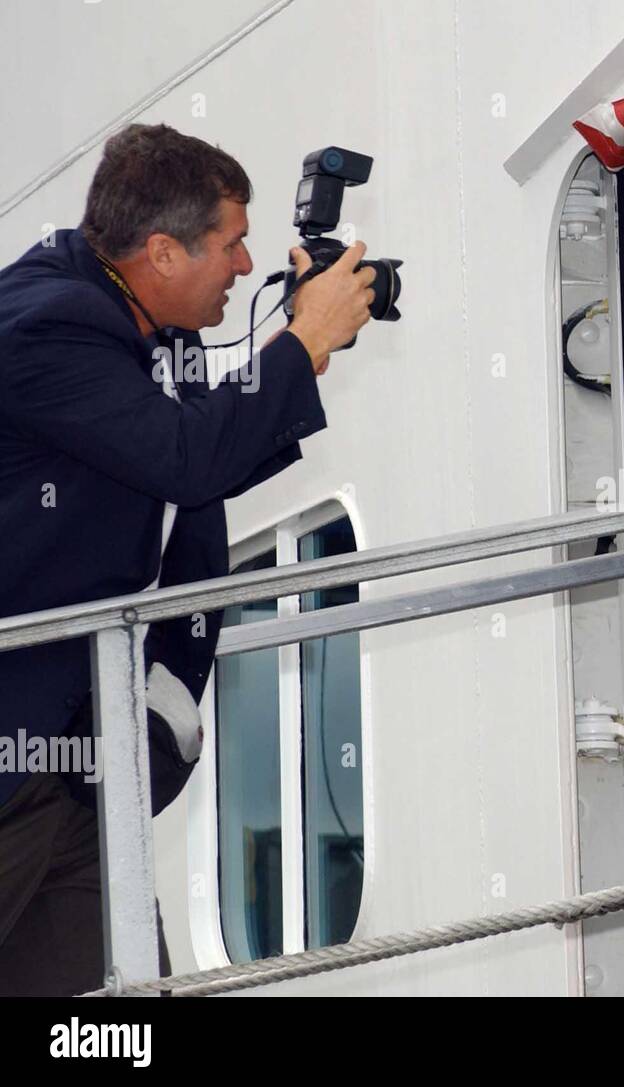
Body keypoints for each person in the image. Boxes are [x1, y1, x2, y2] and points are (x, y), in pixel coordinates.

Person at [0, 123, 375, 996]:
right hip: (17, 755)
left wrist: (296, 342)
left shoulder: (133, 317)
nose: (247, 266)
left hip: (81, 767)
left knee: (111, 1011)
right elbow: (181, 457)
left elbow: (197, 451)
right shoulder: (45, 325)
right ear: (163, 252)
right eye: (233, 245)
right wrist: (302, 348)